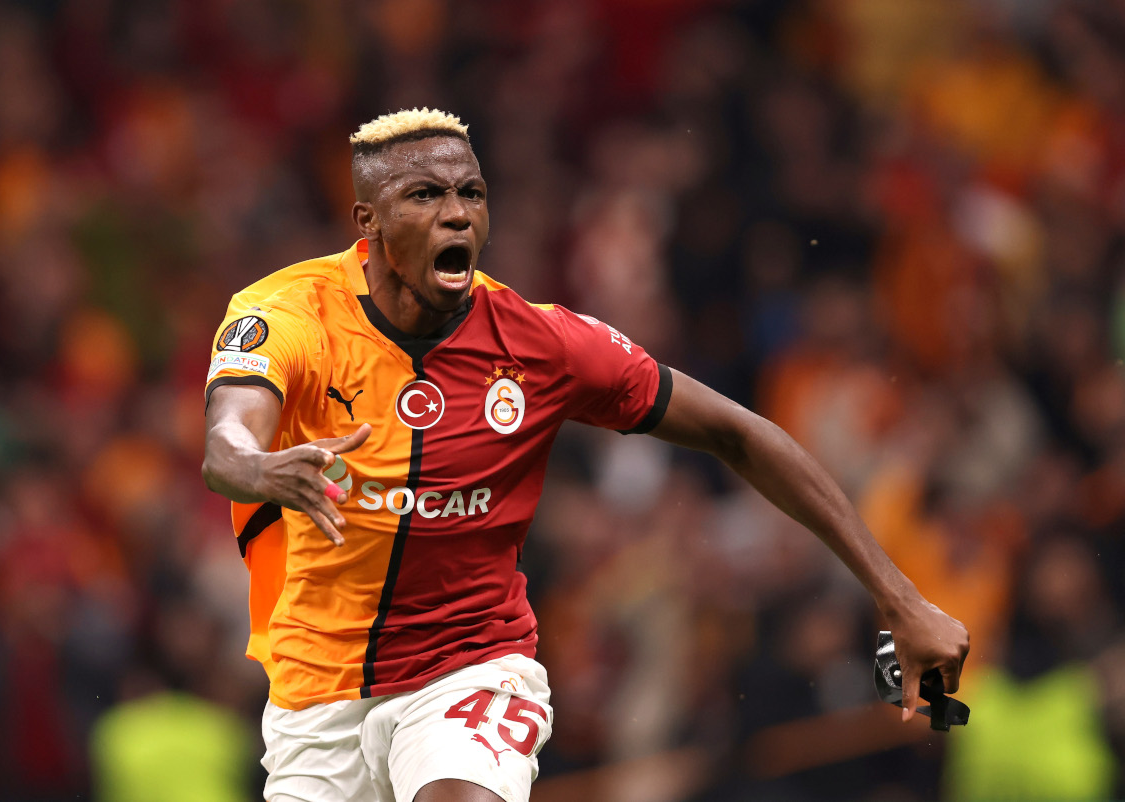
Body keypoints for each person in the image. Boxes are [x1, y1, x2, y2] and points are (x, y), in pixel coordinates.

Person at [201, 108, 969, 802]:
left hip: (468, 667)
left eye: (471, 193)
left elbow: (738, 433)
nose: (457, 215)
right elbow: (228, 437)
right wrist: (262, 467)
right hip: (316, 693)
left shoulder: (541, 344)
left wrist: (901, 598)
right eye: (426, 197)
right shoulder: (286, 313)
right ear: (368, 221)